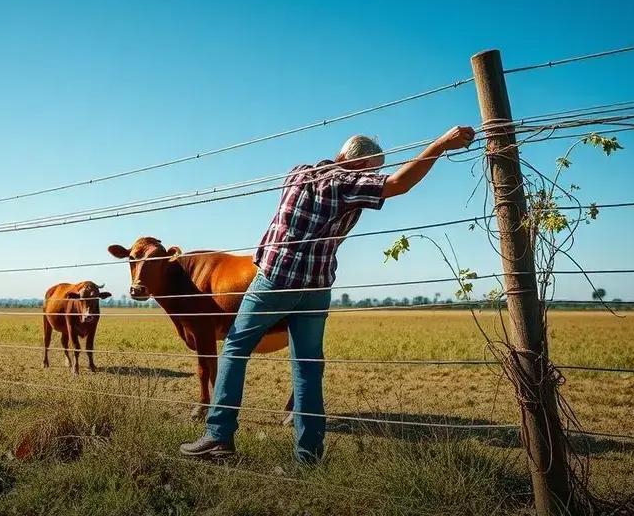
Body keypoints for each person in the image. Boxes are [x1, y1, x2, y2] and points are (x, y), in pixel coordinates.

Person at [180, 126, 476, 462]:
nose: (373, 176)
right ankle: (308, 455)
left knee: (236, 349)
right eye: (371, 169)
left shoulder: (298, 173)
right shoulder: (346, 184)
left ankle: (219, 436)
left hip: (275, 278)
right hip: (314, 288)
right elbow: (399, 185)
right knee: (307, 366)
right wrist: (439, 144)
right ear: (358, 164)